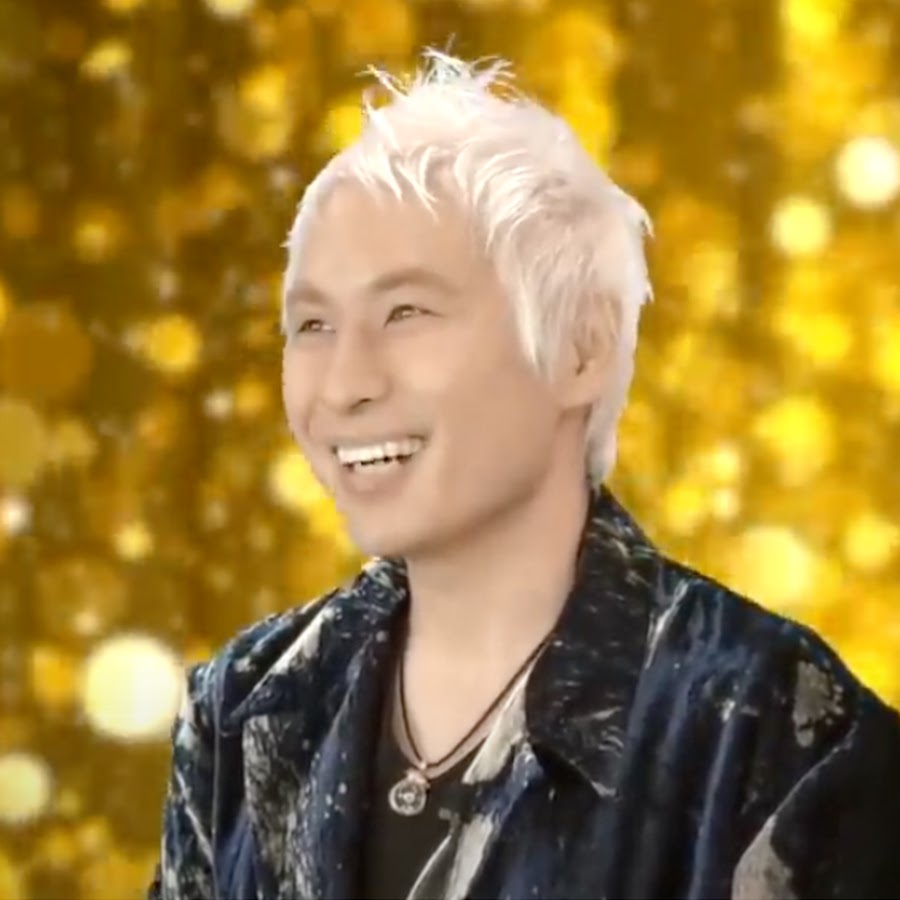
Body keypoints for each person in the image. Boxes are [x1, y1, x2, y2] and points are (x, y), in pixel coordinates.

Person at [149, 50, 900, 900]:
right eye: (311, 325)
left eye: (406, 312)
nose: (344, 384)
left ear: (582, 347)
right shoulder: (245, 706)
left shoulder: (775, 733)